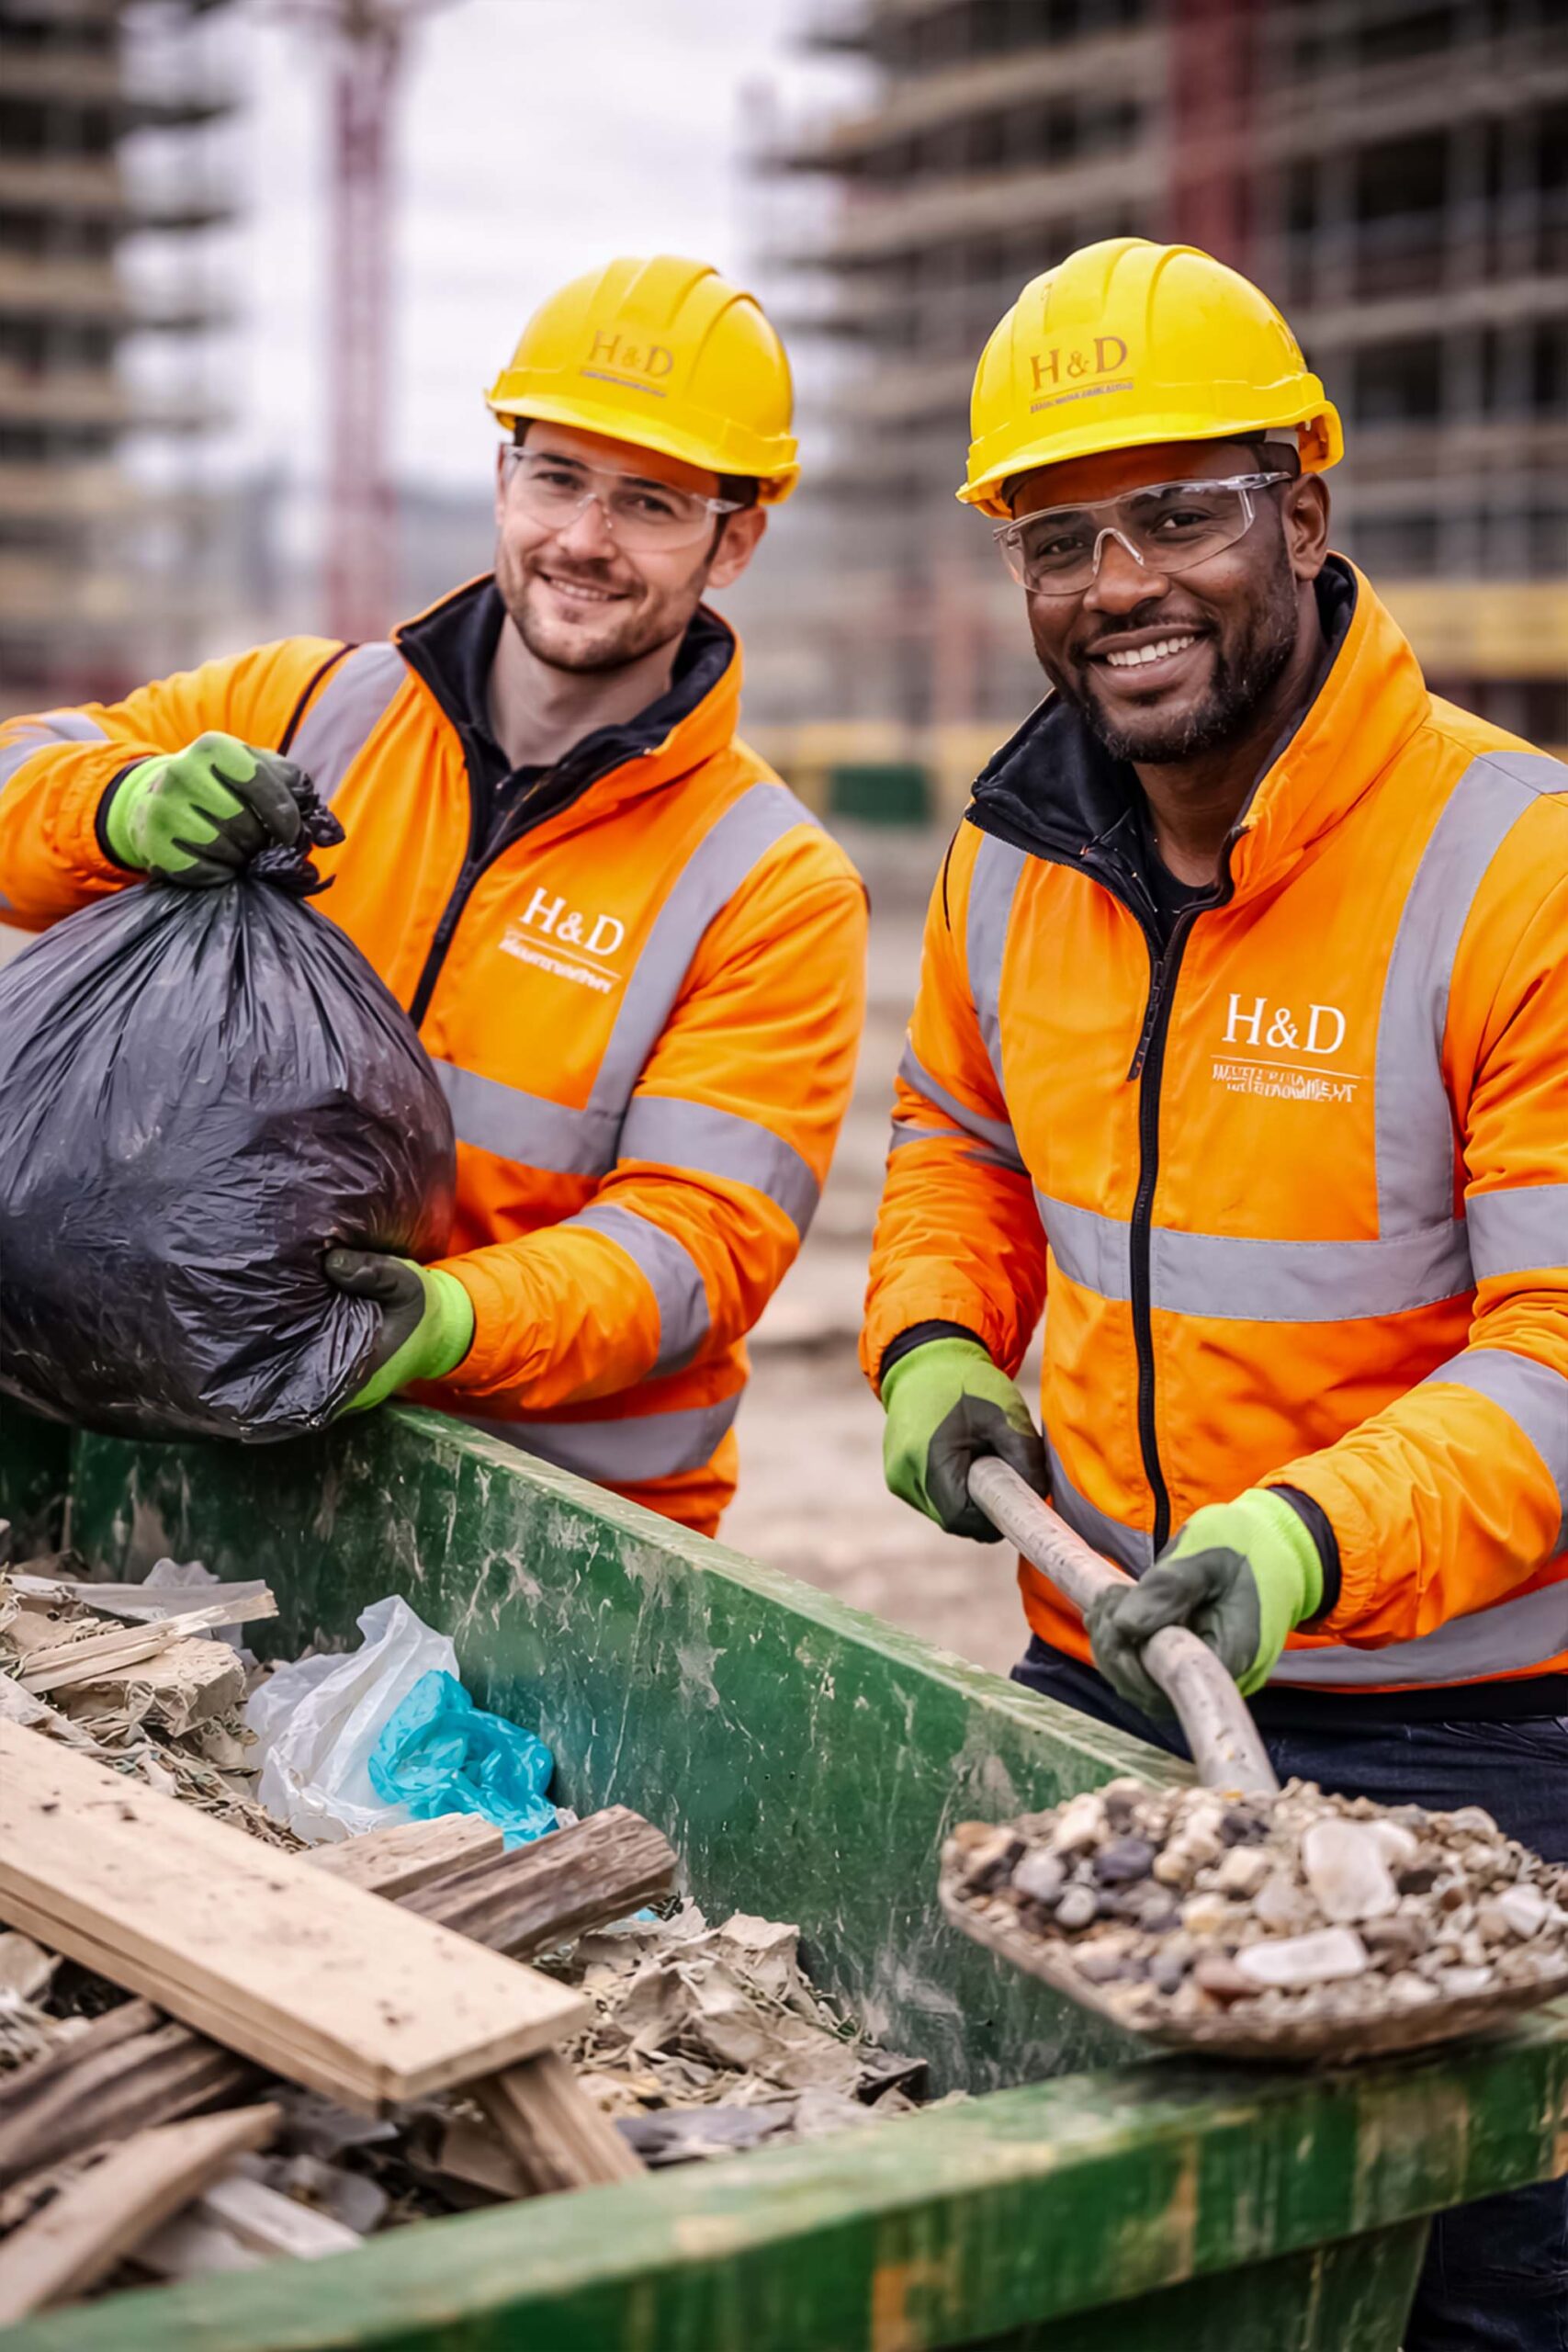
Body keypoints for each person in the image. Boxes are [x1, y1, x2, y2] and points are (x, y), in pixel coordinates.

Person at [863, 236, 1568, 2348]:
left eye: (1177, 514)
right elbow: (956, 1140)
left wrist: (1304, 1535)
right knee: (1122, 2278)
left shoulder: (1507, 860)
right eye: (1061, 538)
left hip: (1476, 1745)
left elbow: (1557, 1352)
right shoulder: (1014, 851)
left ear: (1300, 510)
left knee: (1462, 2299)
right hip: (1106, 1684)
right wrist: (924, 1339)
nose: (1119, 584)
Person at [0, 254, 867, 1540]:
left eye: (650, 503)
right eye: (557, 476)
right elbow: (17, 777)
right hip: (204, 1440)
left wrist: (448, 1323)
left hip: (560, 1537)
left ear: (733, 538)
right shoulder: (302, 705)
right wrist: (113, 807)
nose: (584, 538)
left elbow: (697, 1249)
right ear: (503, 474)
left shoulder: (770, 884)